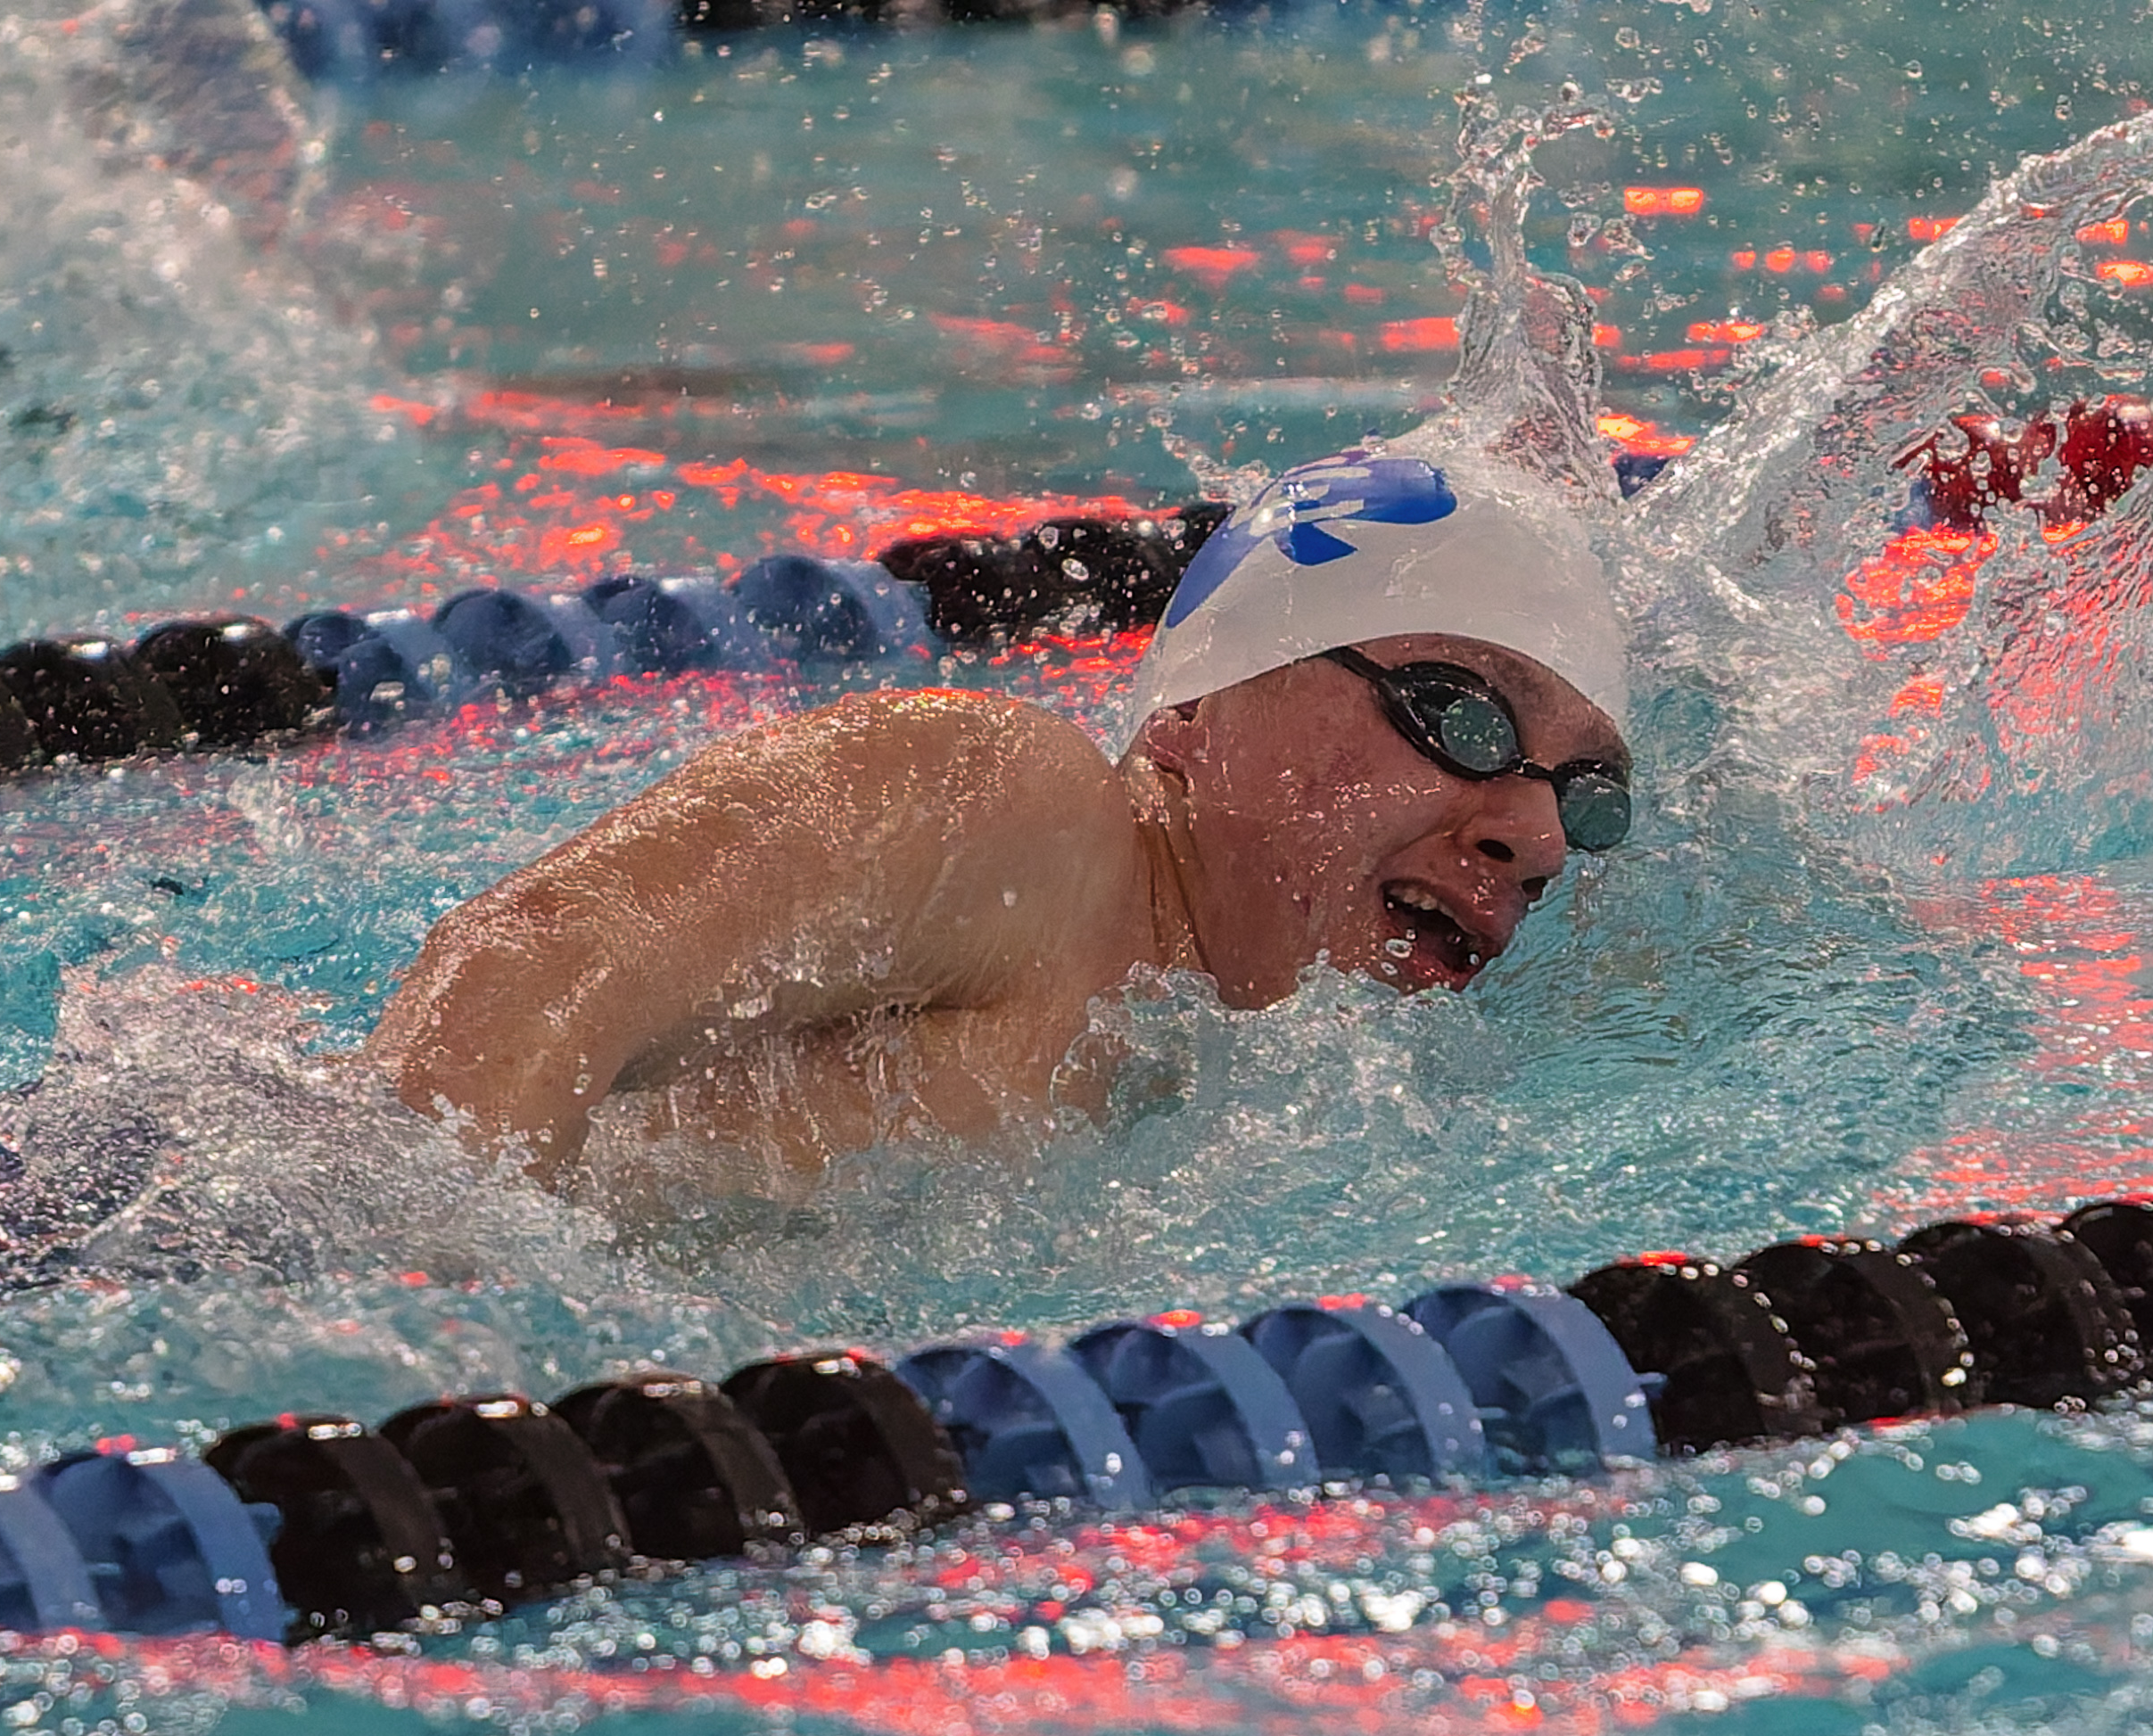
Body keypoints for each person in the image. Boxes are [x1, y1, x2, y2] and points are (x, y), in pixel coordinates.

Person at [365, 441, 1636, 1188]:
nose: (1532, 835)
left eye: (1587, 795)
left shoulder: (1261, 1093)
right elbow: (530, 966)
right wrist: (437, 1312)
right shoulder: (1021, 813)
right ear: (1194, 712)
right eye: (1460, 715)